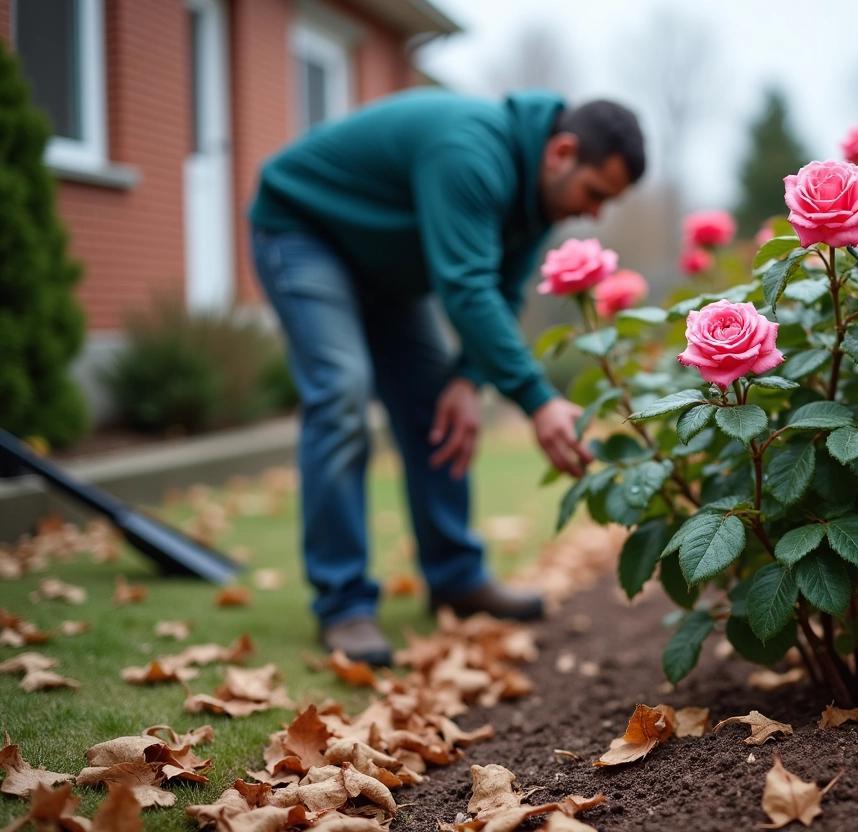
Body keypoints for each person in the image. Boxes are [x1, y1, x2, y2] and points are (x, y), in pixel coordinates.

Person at [248, 89, 645, 666]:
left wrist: (466, 379)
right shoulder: (470, 151)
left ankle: (456, 577)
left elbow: (502, 292)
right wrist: (537, 399)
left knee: (437, 400)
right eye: (595, 194)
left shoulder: (538, 199)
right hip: (304, 230)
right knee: (340, 390)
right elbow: (465, 289)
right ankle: (343, 603)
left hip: (386, 271)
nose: (594, 212)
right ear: (561, 152)